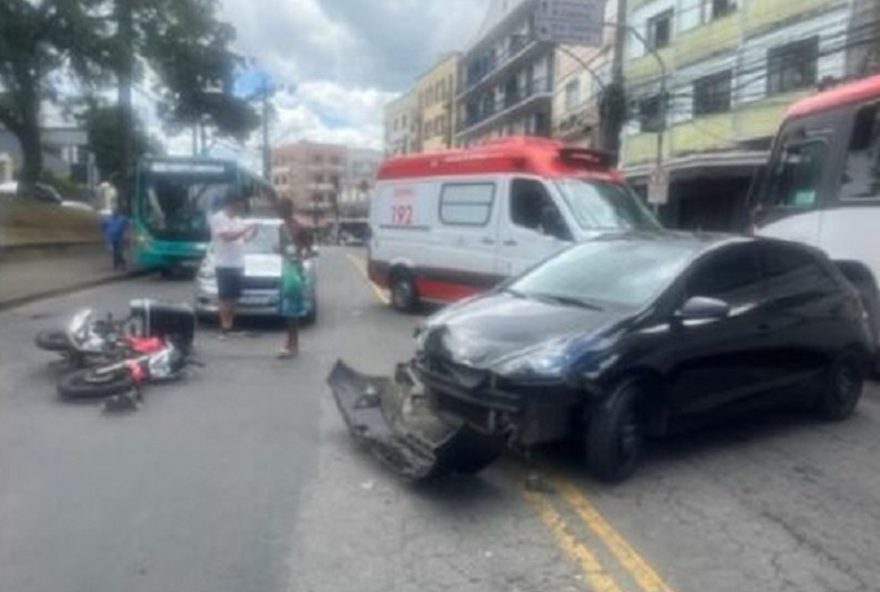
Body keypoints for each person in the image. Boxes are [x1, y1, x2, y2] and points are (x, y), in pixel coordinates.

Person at [209, 190, 257, 338]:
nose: (240, 208)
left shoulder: (238, 220)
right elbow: (227, 237)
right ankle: (224, 327)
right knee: (225, 297)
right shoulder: (218, 218)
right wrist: (245, 229)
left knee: (234, 297)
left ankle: (230, 324)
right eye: (238, 205)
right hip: (224, 264)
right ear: (231, 204)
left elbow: (244, 239)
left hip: (238, 263)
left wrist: (254, 231)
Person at [276, 198, 309, 359]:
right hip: (286, 268)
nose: (279, 211)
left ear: (288, 209)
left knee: (292, 310)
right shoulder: (281, 228)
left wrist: (300, 254)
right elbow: (282, 248)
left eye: (281, 208)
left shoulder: (299, 227)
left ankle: (293, 345)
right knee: (287, 309)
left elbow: (308, 248)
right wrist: (280, 250)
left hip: (295, 270)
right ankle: (289, 342)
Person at [101, 206, 129, 270]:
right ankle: (116, 264)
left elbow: (127, 225)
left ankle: (122, 263)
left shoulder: (122, 218)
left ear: (118, 212)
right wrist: (105, 234)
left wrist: (126, 232)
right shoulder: (107, 219)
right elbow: (103, 226)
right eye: (114, 211)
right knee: (113, 252)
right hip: (110, 238)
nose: (115, 212)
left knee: (119, 252)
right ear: (112, 212)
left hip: (119, 238)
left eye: (116, 211)